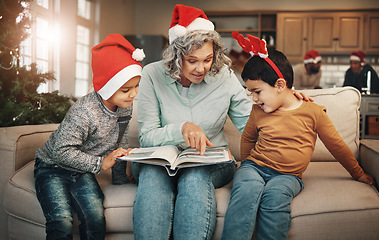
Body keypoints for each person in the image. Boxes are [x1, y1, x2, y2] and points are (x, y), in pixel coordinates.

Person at [222, 33, 374, 240]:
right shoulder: (258, 112)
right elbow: (248, 139)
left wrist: (358, 173)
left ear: (280, 85)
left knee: (274, 200)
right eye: (250, 92)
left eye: (257, 91)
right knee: (244, 193)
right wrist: (247, 162)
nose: (254, 99)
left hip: (287, 176)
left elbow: (337, 145)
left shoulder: (313, 112)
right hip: (254, 167)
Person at [34, 34, 144, 239]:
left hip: (81, 171)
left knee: (94, 218)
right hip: (52, 167)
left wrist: (119, 178)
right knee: (62, 221)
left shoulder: (124, 108)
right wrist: (101, 163)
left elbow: (119, 144)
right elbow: (61, 152)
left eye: (137, 86)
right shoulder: (84, 111)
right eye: (126, 89)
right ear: (107, 87)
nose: (133, 94)